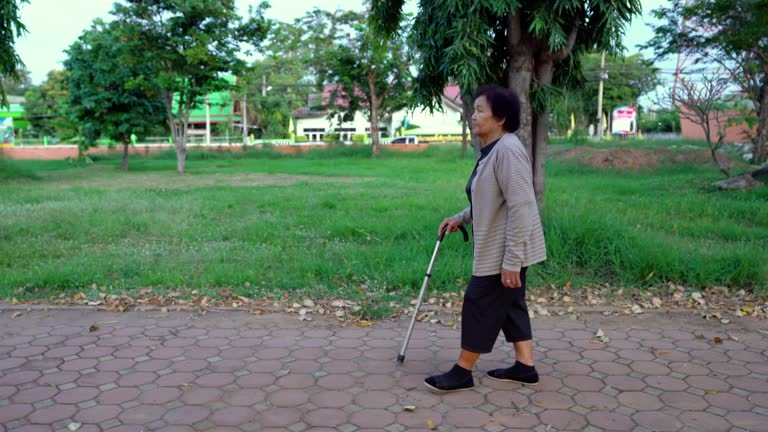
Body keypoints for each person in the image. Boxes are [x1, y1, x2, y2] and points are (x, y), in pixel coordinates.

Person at [424, 85, 547, 393]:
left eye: (480, 111)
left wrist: (512, 262)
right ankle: (525, 367)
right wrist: (460, 218)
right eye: (473, 110)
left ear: (501, 118)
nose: (473, 116)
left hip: (506, 249)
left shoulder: (507, 151)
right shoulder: (491, 150)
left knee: (479, 302)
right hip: (503, 246)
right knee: (510, 304)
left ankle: (463, 371)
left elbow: (521, 206)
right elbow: (491, 200)